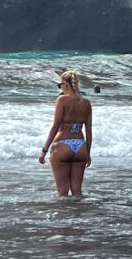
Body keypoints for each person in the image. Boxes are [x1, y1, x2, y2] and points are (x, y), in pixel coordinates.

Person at [39, 68, 93, 197]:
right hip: (80, 146)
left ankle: (64, 216)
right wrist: (88, 154)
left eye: (60, 85)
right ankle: (78, 215)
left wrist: (44, 150)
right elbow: (89, 131)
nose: (60, 88)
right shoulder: (86, 103)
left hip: (63, 145)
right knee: (77, 191)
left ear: (66, 85)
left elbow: (55, 126)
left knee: (62, 192)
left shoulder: (62, 100)